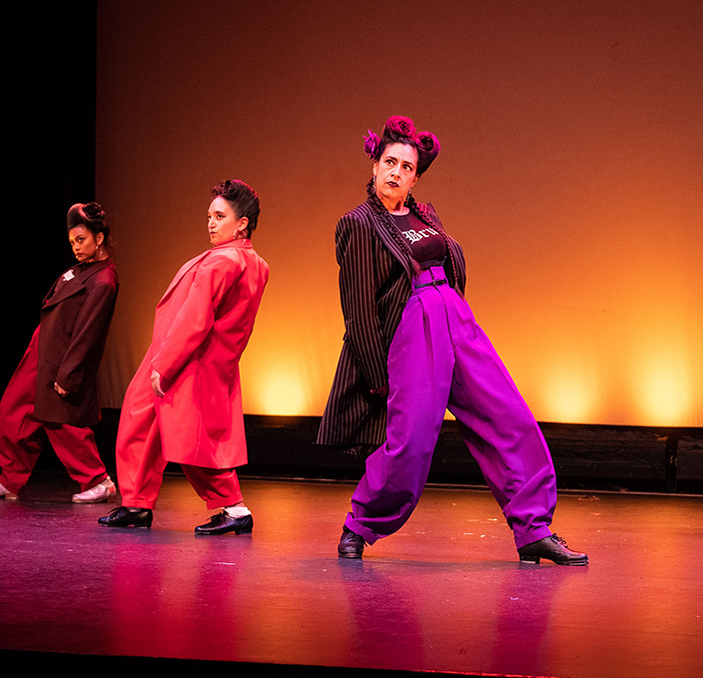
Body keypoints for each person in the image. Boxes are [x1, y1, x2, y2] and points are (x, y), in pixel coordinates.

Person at [317, 115, 587, 564]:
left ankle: (533, 528)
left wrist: (452, 313)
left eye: (406, 167)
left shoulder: (426, 215)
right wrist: (374, 371)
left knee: (508, 415)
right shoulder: (358, 223)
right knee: (412, 439)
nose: (396, 172)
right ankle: (360, 524)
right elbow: (359, 307)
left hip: (454, 318)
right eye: (389, 161)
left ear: (415, 177)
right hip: (412, 325)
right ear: (374, 166)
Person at [99, 179, 269, 534]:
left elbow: (195, 318)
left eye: (220, 216)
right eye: (210, 215)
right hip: (203, 359)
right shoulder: (252, 262)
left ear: (242, 224)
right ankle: (136, 503)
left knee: (193, 442)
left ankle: (235, 510)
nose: (210, 223)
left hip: (189, 358)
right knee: (140, 419)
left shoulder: (223, 262)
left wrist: (165, 363)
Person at [0, 203, 118, 503]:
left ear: (99, 239)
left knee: (62, 422)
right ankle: (10, 478)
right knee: (13, 412)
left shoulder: (103, 281)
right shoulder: (79, 271)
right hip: (42, 352)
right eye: (72, 241)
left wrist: (68, 374)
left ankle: (98, 480)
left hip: (61, 359)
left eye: (81, 240)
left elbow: (89, 334)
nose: (75, 247)